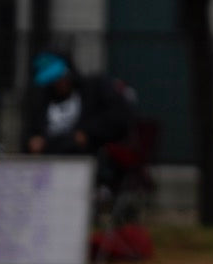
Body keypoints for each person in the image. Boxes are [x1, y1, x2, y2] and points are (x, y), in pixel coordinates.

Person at [22, 50, 136, 190]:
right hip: (49, 163)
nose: (58, 83)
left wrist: (88, 133)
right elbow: (29, 134)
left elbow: (119, 118)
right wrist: (32, 140)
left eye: (60, 77)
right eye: (53, 80)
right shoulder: (41, 101)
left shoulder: (93, 90)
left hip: (86, 161)